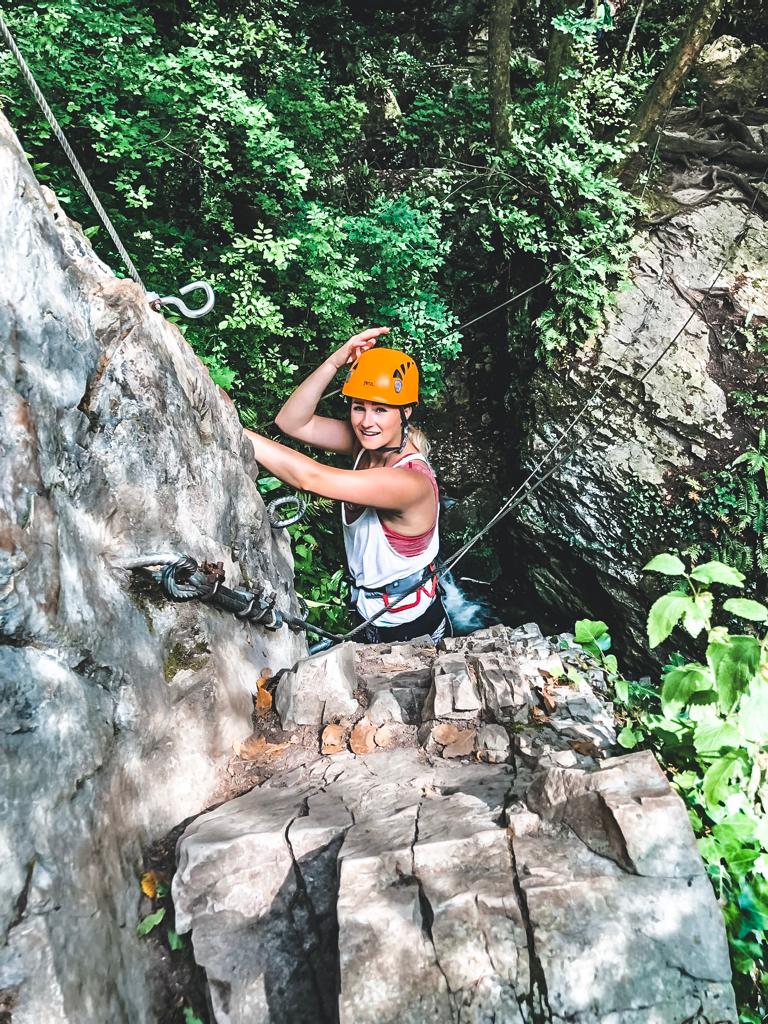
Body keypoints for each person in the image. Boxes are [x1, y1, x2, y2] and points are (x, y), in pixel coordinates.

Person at [243, 327, 451, 645]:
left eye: (381, 409)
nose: (367, 422)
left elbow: (311, 478)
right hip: (368, 612)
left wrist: (233, 430)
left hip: (408, 622)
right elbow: (291, 422)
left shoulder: (410, 483)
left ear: (405, 411)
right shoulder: (365, 446)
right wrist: (335, 361)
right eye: (359, 407)